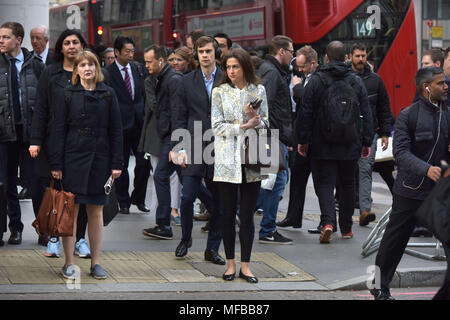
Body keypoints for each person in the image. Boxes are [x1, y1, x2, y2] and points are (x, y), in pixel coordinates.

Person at [370, 67, 449, 300]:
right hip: (410, 191)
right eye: (440, 83)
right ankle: (378, 286)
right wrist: (427, 169)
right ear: (426, 87)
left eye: (445, 83)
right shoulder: (408, 115)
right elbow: (401, 153)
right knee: (392, 244)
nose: (446, 87)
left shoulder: (448, 114)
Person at [50, 50, 123, 280]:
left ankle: (96, 262)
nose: (87, 68)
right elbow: (58, 130)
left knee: (96, 210)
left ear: (97, 67)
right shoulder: (67, 94)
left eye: (91, 64)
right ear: (76, 69)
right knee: (71, 211)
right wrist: (56, 163)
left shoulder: (108, 94)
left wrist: (117, 163)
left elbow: (116, 131)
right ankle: (69, 262)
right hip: (73, 158)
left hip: (100, 159)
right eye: (82, 65)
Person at [297, 41, 373, 243]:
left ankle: (329, 222)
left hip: (322, 142)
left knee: (325, 183)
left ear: (326, 58)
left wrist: (303, 140)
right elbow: (366, 112)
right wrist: (367, 141)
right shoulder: (356, 81)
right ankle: (347, 228)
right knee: (348, 184)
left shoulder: (317, 81)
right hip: (350, 142)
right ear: (346, 58)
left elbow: (306, 112)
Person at [30, 29, 91, 257]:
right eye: (67, 43)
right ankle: (54, 237)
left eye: (76, 42)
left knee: (81, 195)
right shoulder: (50, 73)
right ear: (61, 47)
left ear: (82, 45)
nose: (72, 46)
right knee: (55, 192)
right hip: (53, 142)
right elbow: (41, 109)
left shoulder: (90, 71)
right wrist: (35, 140)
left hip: (83, 143)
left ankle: (80, 239)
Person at [211, 48, 269, 283]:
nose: (232, 71)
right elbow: (217, 127)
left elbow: (266, 124)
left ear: (245, 66)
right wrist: (244, 126)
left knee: (247, 215)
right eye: (228, 67)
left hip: (252, 158)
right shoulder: (219, 92)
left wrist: (255, 118)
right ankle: (229, 264)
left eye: (236, 66)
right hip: (226, 160)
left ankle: (246, 265)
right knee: (226, 214)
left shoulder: (259, 90)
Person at [171, 36, 225, 265]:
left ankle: (212, 249)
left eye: (208, 51)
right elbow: (179, 116)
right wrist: (178, 147)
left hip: (221, 145)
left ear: (216, 53)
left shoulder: (227, 78)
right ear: (196, 54)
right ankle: (185, 239)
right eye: (201, 51)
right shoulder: (186, 81)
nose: (204, 55)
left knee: (221, 202)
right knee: (187, 198)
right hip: (193, 143)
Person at [0, 22, 45, 245]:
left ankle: (44, 229)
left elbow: (46, 101)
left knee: (36, 183)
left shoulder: (36, 65)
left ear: (18, 40)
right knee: (7, 183)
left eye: (6, 37)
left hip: (30, 134)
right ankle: (15, 229)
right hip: (4, 133)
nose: (1, 41)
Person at [348, 43, 394, 226]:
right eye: (357, 56)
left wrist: (384, 133)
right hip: (347, 135)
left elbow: (384, 107)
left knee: (365, 170)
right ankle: (346, 211)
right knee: (347, 172)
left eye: (363, 56)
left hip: (370, 134)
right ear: (350, 56)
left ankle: (365, 210)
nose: (361, 59)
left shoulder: (376, 80)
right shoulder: (345, 78)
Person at [255, 35, 294, 245]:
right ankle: (267, 229)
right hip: (270, 135)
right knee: (276, 181)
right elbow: (263, 104)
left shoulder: (271, 70)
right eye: (291, 51)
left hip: (273, 134)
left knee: (271, 181)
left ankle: (245, 212)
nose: (292, 56)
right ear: (281, 52)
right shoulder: (271, 72)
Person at [141, 44, 182, 240]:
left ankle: (164, 224)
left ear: (160, 60)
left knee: (160, 175)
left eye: (149, 61)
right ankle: (218, 211)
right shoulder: (164, 78)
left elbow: (175, 112)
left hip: (173, 137)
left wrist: (175, 143)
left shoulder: (171, 80)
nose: (146, 65)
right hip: (171, 136)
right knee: (187, 176)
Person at [106, 36, 150, 214]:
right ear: (117, 53)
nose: (131, 54)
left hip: (139, 123)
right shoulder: (108, 73)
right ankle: (123, 201)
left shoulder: (138, 68)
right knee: (120, 165)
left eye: (132, 51)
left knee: (144, 163)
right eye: (127, 51)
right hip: (119, 125)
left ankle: (139, 198)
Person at [277, 45, 319, 230]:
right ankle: (293, 217)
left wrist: (298, 88)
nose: (299, 69)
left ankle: (327, 221)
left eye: (302, 66)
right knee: (297, 178)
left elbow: (310, 102)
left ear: (313, 63)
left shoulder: (318, 79)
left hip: (316, 138)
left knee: (321, 182)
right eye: (298, 65)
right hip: (299, 133)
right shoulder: (298, 77)